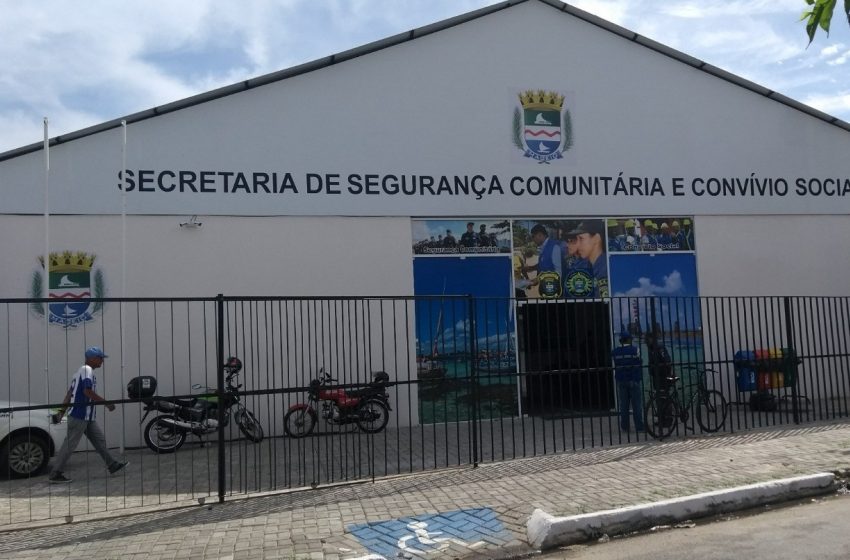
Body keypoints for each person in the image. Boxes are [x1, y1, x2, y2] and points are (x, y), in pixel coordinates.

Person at [49, 347, 128, 483]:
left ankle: (112, 464)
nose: (102, 361)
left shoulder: (78, 373)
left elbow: (69, 394)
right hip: (79, 416)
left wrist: (61, 412)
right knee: (70, 445)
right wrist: (106, 403)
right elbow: (87, 391)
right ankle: (55, 474)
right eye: (100, 358)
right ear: (92, 358)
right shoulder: (87, 370)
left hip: (87, 418)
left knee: (99, 440)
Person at [611, 331, 644, 432]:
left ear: (620, 340)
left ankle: (625, 427)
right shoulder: (635, 350)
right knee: (636, 405)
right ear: (629, 340)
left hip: (621, 380)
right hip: (634, 379)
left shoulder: (615, 352)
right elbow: (640, 361)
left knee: (624, 405)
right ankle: (639, 427)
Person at [571, 221, 609, 298]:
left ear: (596, 238)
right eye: (577, 239)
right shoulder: (581, 265)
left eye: (581, 239)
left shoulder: (607, 267)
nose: (577, 245)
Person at [524, 223, 563, 298]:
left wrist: (538, 279)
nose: (533, 240)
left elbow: (558, 273)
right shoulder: (543, 247)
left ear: (540, 235)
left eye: (533, 236)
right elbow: (544, 264)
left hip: (554, 291)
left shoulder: (554, 247)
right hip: (546, 290)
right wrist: (530, 268)